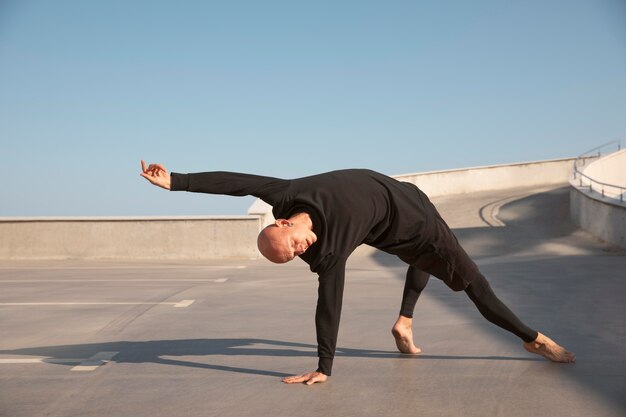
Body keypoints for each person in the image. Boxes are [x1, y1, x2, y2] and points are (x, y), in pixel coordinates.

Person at [140, 160, 575, 385]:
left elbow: (235, 182)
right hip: (402, 228)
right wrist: (324, 367)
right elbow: (329, 304)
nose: (301, 250)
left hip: (414, 207)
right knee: (469, 283)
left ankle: (405, 322)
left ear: (282, 222)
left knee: (451, 274)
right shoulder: (328, 253)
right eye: (293, 257)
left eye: (293, 245)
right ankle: (536, 340)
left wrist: (176, 180)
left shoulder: (286, 194)